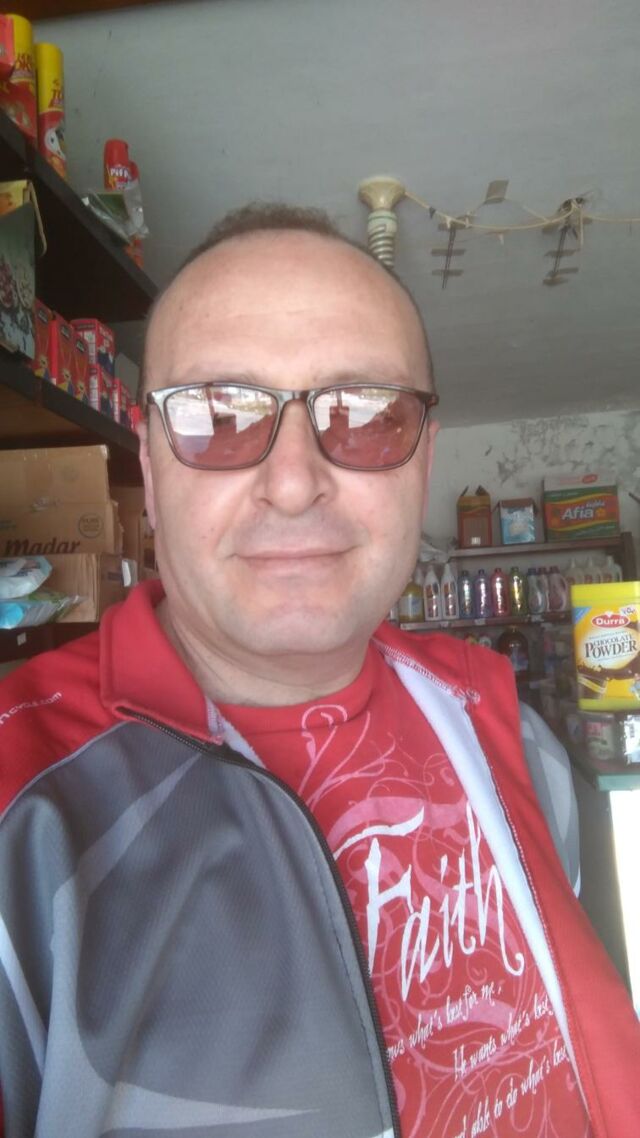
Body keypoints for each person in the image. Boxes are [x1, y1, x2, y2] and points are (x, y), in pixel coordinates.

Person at [0, 204, 638, 1138]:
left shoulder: (514, 738)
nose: (295, 483)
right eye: (218, 415)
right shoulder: (23, 806)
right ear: (150, 459)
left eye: (368, 415)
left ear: (424, 461)